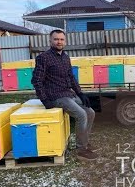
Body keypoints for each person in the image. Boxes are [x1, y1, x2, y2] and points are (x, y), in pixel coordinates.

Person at [31, 29, 98, 161]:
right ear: (50, 41)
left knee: (90, 112)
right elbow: (36, 80)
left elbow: (71, 77)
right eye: (56, 39)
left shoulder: (65, 57)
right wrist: (45, 100)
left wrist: (80, 93)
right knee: (81, 114)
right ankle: (81, 150)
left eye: (61, 39)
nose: (59, 42)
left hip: (68, 93)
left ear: (65, 41)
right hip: (55, 96)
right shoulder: (43, 58)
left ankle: (85, 142)